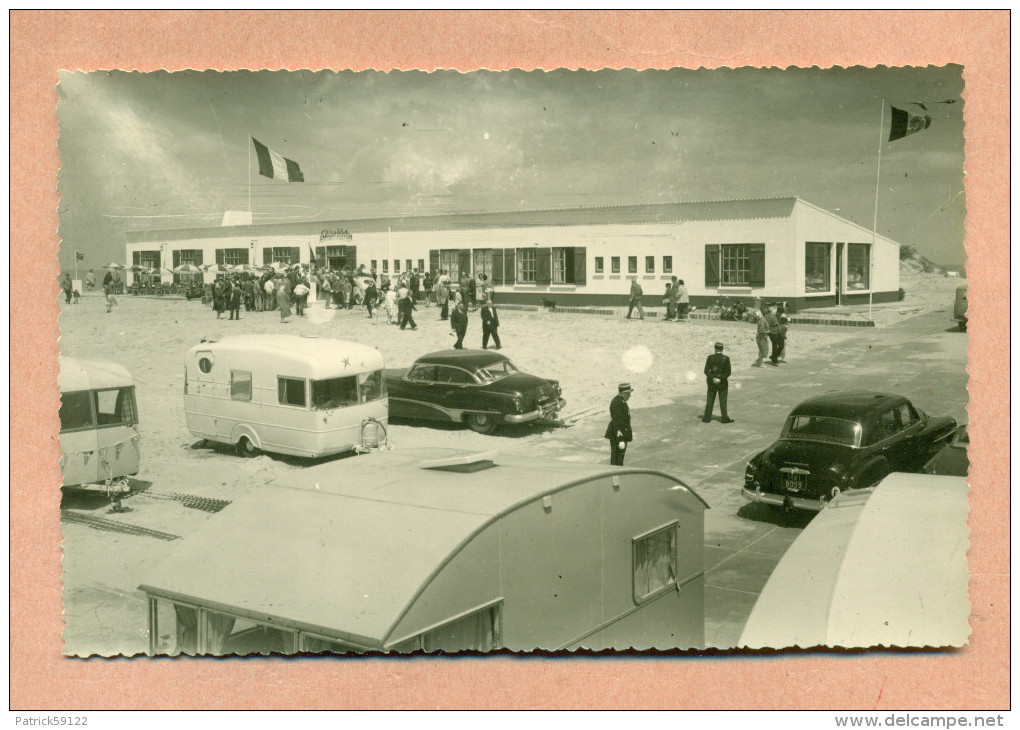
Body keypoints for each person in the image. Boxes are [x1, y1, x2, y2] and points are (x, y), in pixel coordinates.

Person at [703, 342, 733, 424]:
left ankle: (707, 418)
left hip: (711, 383)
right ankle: (724, 418)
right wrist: (720, 379)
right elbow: (728, 372)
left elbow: (706, 371)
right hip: (722, 383)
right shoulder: (726, 358)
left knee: (710, 400)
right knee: (723, 401)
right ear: (722, 349)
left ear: (715, 349)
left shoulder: (710, 357)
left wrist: (713, 378)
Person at [604, 383, 634, 466]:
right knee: (616, 459)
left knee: (619, 459)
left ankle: (617, 477)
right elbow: (616, 422)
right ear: (623, 393)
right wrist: (620, 439)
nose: (630, 396)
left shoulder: (621, 401)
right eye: (628, 394)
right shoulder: (617, 403)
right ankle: (615, 478)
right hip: (617, 436)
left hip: (620, 435)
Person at [752, 302, 770, 367]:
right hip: (761, 337)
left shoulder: (762, 320)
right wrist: (768, 331)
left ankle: (759, 361)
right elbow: (762, 330)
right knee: (764, 350)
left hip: (761, 337)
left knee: (762, 350)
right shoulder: (762, 320)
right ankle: (760, 363)